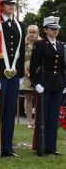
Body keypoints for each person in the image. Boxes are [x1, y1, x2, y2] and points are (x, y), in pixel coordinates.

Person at [0, 0, 25, 157]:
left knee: (10, 111)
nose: (11, 6)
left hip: (14, 75)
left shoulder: (20, 25)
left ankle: (8, 148)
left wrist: (22, 74)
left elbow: (21, 52)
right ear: (1, 5)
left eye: (13, 3)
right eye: (8, 3)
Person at [30, 16, 64, 156]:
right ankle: (41, 147)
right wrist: (36, 83)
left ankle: (51, 147)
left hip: (57, 84)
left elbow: (63, 67)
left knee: (54, 116)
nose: (55, 31)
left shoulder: (61, 45)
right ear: (45, 29)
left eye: (56, 28)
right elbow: (33, 67)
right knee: (43, 116)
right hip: (44, 84)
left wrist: (64, 83)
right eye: (52, 28)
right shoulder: (40, 44)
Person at [20, 25, 41, 129]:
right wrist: (24, 69)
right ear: (27, 33)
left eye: (34, 32)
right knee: (28, 97)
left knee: (39, 98)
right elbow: (20, 59)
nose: (32, 34)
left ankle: (38, 121)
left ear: (37, 34)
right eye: (30, 32)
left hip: (39, 74)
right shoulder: (23, 44)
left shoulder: (41, 44)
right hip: (26, 74)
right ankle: (29, 122)